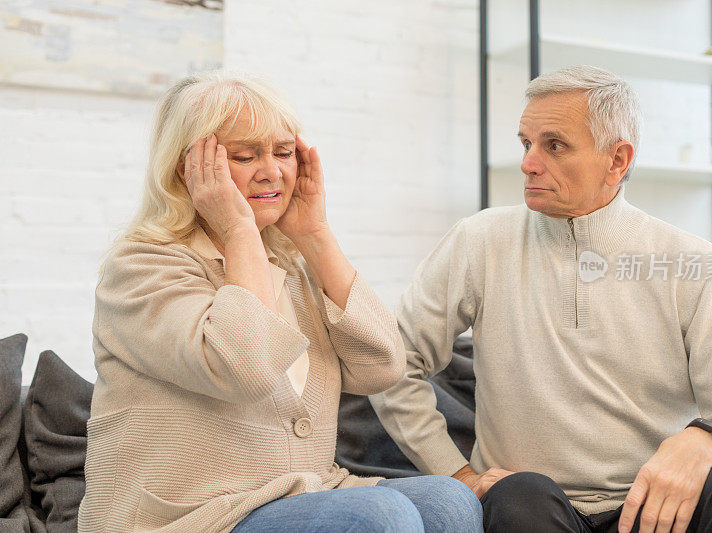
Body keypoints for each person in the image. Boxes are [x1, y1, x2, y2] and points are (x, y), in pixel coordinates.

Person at [369, 65, 712, 533]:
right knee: (520, 496)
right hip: (532, 506)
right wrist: (457, 475)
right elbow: (391, 365)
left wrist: (709, 440)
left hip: (661, 511)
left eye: (554, 145)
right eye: (525, 143)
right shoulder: (479, 242)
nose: (528, 163)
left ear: (617, 160)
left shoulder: (694, 262)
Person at [77, 70, 482, 532]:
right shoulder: (140, 267)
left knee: (449, 500)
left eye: (284, 153)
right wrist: (238, 230)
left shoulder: (292, 267)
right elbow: (242, 368)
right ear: (186, 170)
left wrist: (315, 234)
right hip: (195, 517)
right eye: (245, 156)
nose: (272, 171)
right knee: (379, 515)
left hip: (302, 496)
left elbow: (383, 368)